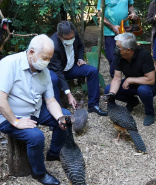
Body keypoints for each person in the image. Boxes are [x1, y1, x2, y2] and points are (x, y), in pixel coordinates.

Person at [0, 34, 71, 185]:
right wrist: (16, 121)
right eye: (44, 58)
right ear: (31, 52)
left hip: (34, 111)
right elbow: (0, 99)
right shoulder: (9, 64)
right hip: (8, 116)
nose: (47, 62)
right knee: (36, 137)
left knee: (66, 116)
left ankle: (53, 153)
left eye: (49, 59)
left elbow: (51, 100)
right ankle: (39, 173)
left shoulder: (44, 70)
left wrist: (59, 118)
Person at [48, 21, 107, 116]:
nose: (71, 40)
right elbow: (58, 72)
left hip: (71, 68)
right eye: (67, 39)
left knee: (92, 71)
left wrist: (80, 58)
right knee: (53, 79)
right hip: (57, 72)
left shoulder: (74, 33)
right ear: (59, 35)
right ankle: (56, 113)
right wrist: (69, 94)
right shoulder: (53, 45)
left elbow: (80, 46)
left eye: (72, 37)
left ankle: (93, 105)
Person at [104, 33, 156, 126]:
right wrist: (111, 95)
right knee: (108, 89)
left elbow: (151, 80)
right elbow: (117, 78)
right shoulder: (119, 55)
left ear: (128, 50)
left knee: (143, 90)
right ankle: (132, 101)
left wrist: (130, 79)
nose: (116, 48)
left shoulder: (144, 55)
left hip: (149, 85)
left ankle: (149, 113)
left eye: (118, 47)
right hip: (131, 85)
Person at [97, 0, 137, 77]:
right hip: (109, 32)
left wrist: (133, 13)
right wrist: (113, 27)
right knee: (112, 57)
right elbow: (100, 14)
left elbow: (130, 6)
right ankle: (115, 78)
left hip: (124, 30)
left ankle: (127, 77)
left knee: (127, 53)